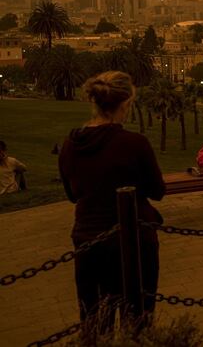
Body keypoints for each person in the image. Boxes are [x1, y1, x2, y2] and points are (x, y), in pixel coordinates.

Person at [58, 71, 165, 330]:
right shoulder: (134, 143)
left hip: (87, 238)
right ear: (126, 103)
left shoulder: (71, 145)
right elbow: (157, 190)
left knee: (95, 322)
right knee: (138, 319)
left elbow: (73, 195)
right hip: (134, 240)